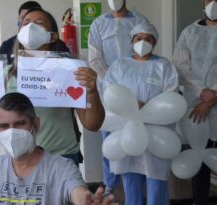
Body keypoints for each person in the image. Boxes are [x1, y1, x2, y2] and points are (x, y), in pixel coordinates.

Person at [0, 8, 104, 165]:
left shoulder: (69, 72)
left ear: (52, 36)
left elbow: (92, 124)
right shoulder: (5, 75)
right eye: (26, 23)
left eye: (39, 22)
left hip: (62, 158)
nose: (31, 26)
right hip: (19, 162)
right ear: (19, 34)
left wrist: (92, 92)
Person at [0, 92, 114, 205]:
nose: (11, 133)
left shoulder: (61, 168)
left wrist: (86, 200)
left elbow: (77, 192)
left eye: (19, 124)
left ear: (36, 124)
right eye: (4, 126)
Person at [173, 0, 217, 204]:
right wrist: (201, 92)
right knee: (199, 158)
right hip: (195, 105)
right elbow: (181, 67)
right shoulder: (189, 32)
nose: (213, 3)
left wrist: (212, 97)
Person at [104, 23, 179, 205]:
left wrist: (149, 107)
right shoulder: (120, 65)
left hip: (156, 132)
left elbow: (171, 93)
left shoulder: (164, 66)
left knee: (156, 179)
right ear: (131, 41)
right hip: (127, 130)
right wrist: (129, 106)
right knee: (130, 179)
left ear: (155, 42)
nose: (143, 42)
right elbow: (109, 91)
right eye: (138, 38)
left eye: (148, 38)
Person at [88, 0, 148, 195]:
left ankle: (135, 184)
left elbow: (144, 56)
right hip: (109, 90)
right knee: (109, 140)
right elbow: (95, 58)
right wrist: (113, 81)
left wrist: (130, 82)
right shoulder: (98, 24)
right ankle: (110, 185)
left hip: (136, 90)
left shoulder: (139, 21)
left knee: (133, 137)